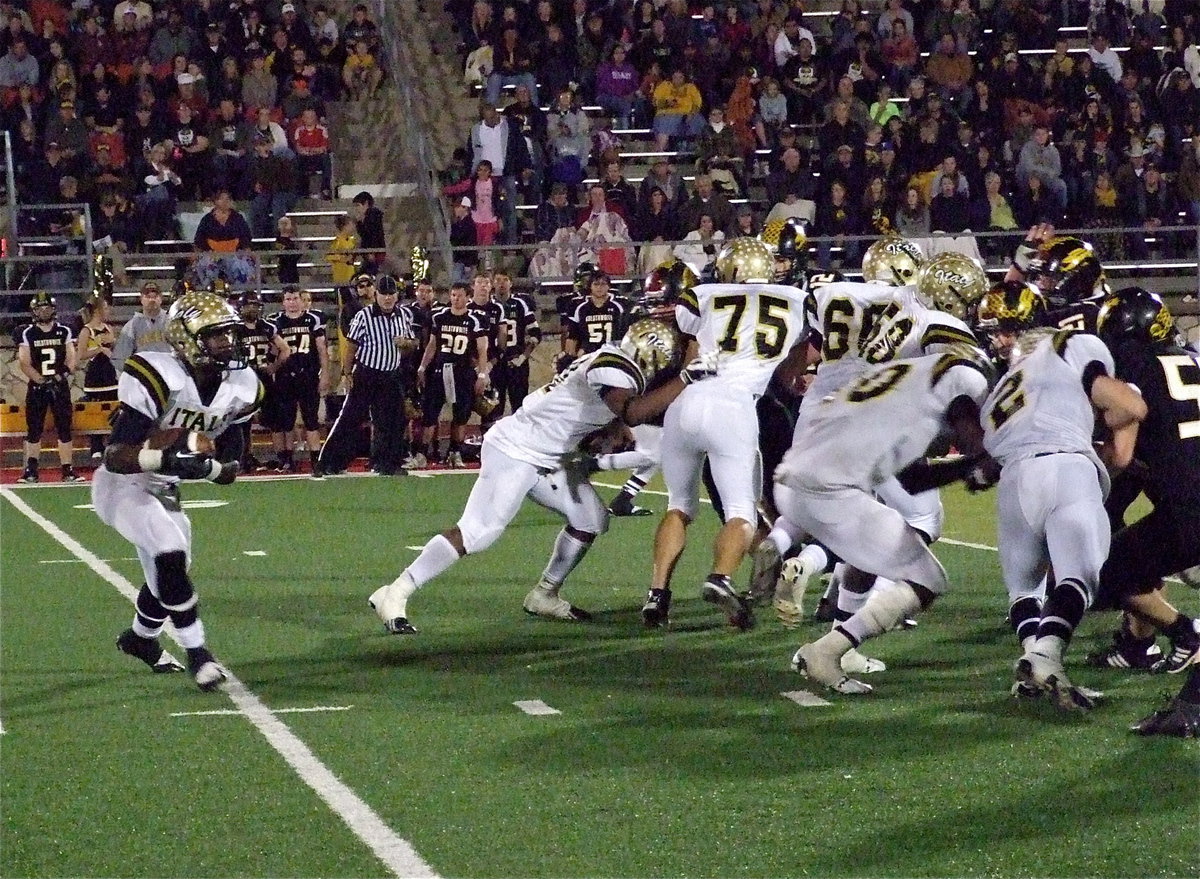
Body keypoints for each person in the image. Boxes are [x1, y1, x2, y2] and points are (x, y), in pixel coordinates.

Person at [368, 318, 718, 634]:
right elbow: (633, 410)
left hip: (547, 455)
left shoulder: (613, 360)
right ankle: (396, 592)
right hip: (517, 449)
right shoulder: (613, 366)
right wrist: (685, 379)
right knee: (479, 532)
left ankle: (544, 594)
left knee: (591, 519)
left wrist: (613, 430)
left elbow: (620, 413)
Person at [788, 345, 996, 694]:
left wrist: (969, 468)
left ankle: (829, 629)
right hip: (835, 486)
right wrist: (986, 461)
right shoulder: (965, 380)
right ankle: (825, 651)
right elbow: (971, 439)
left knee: (881, 546)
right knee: (927, 575)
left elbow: (915, 478)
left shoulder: (910, 379)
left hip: (806, 474)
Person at [975, 303, 1148, 712]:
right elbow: (1127, 407)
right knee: (1078, 577)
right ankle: (1045, 657)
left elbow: (986, 456)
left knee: (1025, 589)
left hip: (1014, 481)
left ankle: (1036, 666)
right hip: (1067, 467)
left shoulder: (998, 393)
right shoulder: (1073, 345)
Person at [643, 238, 809, 630]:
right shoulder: (797, 300)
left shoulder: (702, 294)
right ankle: (720, 578)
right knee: (741, 513)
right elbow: (791, 369)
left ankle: (657, 594)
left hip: (686, 401)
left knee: (678, 504)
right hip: (733, 407)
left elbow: (685, 334)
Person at [100, 289, 252, 691]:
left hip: (166, 486)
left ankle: (140, 639)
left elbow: (231, 468)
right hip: (124, 483)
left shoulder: (240, 384)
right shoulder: (156, 373)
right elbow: (114, 455)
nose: (227, 343)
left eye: (229, 334)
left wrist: (210, 466)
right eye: (216, 335)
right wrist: (166, 458)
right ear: (186, 338)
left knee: (168, 576)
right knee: (168, 553)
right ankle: (199, 653)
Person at [1092, 289, 1200, 691]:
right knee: (1140, 553)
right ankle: (1137, 646)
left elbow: (1122, 453)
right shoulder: (1190, 357)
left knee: (1110, 569)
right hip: (1186, 490)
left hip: (1190, 504)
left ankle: (1188, 633)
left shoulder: (1135, 362)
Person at [317, 274, 415, 477]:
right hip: (367, 373)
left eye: (391, 294)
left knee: (393, 421)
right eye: (383, 294)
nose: (387, 298)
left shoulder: (404, 315)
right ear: (376, 295)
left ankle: (387, 463)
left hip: (391, 373)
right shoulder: (364, 315)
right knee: (350, 418)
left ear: (397, 295)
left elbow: (411, 344)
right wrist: (347, 372)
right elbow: (351, 346)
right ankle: (329, 462)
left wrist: (405, 344)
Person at [416, 282, 489, 468]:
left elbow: (482, 350)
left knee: (461, 415)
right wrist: (423, 367)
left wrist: (482, 375)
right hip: (440, 370)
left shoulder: (475, 320)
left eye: (460, 295)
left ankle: (455, 452)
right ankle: (423, 453)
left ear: (468, 297)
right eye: (453, 295)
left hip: (462, 371)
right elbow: (432, 345)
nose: (456, 299)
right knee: (430, 414)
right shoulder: (439, 316)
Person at [17, 293, 80, 484]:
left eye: (47, 308)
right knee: (34, 429)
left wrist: (60, 376)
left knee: (64, 428)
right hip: (37, 386)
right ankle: (31, 469)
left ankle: (67, 469)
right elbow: (24, 362)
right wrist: (41, 380)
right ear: (34, 311)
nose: (44, 312)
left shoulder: (65, 331)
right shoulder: (27, 333)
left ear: (53, 310)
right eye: (40, 308)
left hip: (59, 385)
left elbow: (71, 358)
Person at [268, 285, 329, 473]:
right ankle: (286, 459)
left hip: (308, 374)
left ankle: (315, 460)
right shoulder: (275, 322)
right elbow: (272, 350)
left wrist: (325, 373)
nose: (292, 303)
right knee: (285, 421)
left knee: (311, 421)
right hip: (285, 376)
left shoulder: (313, 320)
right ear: (283, 301)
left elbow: (321, 349)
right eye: (288, 299)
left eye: (295, 299)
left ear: (302, 300)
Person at [232, 291, 289, 471]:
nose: (253, 309)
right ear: (241, 308)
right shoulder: (234, 328)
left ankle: (282, 457)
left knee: (275, 419)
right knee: (242, 421)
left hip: (263, 378)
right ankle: (244, 457)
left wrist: (274, 366)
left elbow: (285, 349)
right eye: (249, 305)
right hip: (243, 379)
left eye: (255, 305)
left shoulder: (266, 327)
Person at [491, 270, 540, 419]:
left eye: (505, 280)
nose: (501, 284)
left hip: (516, 361)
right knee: (492, 408)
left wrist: (523, 357)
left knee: (519, 407)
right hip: (494, 362)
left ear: (511, 283)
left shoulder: (520, 304)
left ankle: (519, 441)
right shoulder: (488, 305)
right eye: (498, 280)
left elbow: (536, 333)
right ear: (493, 283)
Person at [77, 295, 119, 461]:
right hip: (96, 375)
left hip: (110, 373)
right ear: (97, 310)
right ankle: (96, 446)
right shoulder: (86, 330)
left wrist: (113, 345)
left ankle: (112, 443)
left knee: (113, 409)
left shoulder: (108, 328)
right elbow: (81, 354)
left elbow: (115, 350)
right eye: (106, 308)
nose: (108, 311)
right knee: (95, 410)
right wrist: (99, 349)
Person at [562, 270, 630, 363]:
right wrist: (570, 358)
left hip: (614, 352)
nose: (599, 287)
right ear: (590, 286)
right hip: (587, 354)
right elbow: (573, 336)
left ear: (608, 286)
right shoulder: (580, 307)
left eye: (603, 284)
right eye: (596, 284)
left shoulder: (620, 305)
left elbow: (628, 333)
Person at [112, 281, 171, 374]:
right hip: (144, 375)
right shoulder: (131, 326)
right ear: (141, 299)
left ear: (161, 298)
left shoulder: (171, 322)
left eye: (155, 297)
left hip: (170, 373)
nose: (152, 300)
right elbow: (121, 358)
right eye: (148, 297)